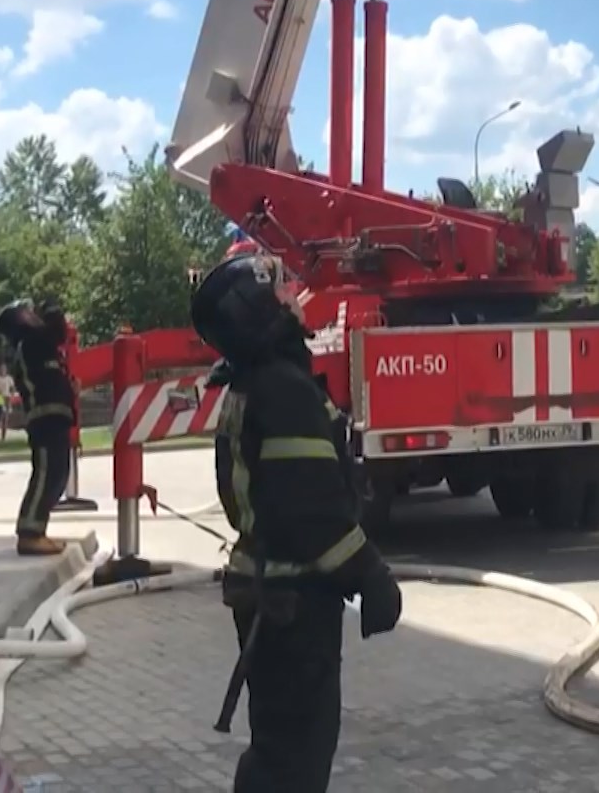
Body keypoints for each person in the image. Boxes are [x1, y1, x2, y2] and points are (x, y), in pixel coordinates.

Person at [192, 251, 403, 792]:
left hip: (268, 592)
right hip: (293, 600)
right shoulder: (284, 390)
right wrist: (370, 576)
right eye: (280, 293)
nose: (293, 300)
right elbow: (313, 513)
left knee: (278, 749)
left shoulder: (254, 384)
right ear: (256, 311)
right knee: (295, 758)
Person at [0, 298, 76, 556]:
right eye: (28, 312)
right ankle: (29, 534)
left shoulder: (38, 344)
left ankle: (38, 530)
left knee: (58, 476)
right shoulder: (32, 342)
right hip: (45, 418)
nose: (34, 315)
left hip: (56, 416)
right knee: (47, 475)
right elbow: (55, 330)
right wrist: (50, 307)